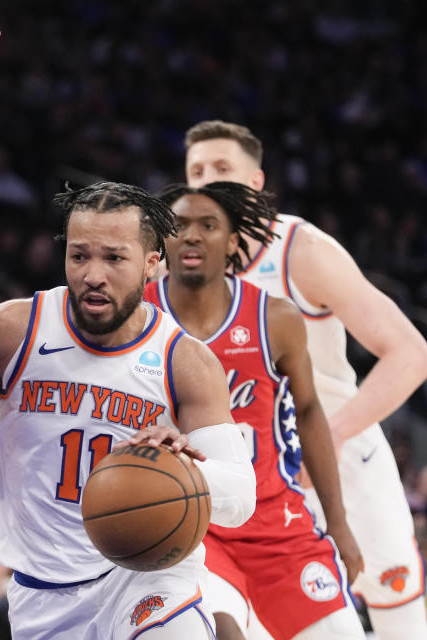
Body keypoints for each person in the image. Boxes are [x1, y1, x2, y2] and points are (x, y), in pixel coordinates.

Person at [0, 181, 257, 639]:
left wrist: (184, 470)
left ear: (153, 264)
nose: (93, 273)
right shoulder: (14, 328)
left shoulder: (185, 361)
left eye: (114, 257)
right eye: (79, 255)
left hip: (146, 574)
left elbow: (240, 499)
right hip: (41, 589)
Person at [182, 120, 427, 639]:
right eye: (197, 172)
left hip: (340, 456)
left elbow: (411, 355)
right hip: (251, 479)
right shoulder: (177, 267)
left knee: (399, 619)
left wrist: (331, 436)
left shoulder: (300, 249)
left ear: (255, 183)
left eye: (221, 169)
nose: (207, 181)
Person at [143, 182, 365, 639]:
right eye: (179, 225)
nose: (193, 236)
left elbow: (308, 412)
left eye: (209, 226)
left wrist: (338, 525)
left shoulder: (274, 318)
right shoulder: (138, 316)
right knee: (221, 632)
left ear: (232, 242)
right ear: (162, 239)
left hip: (276, 521)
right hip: (190, 521)